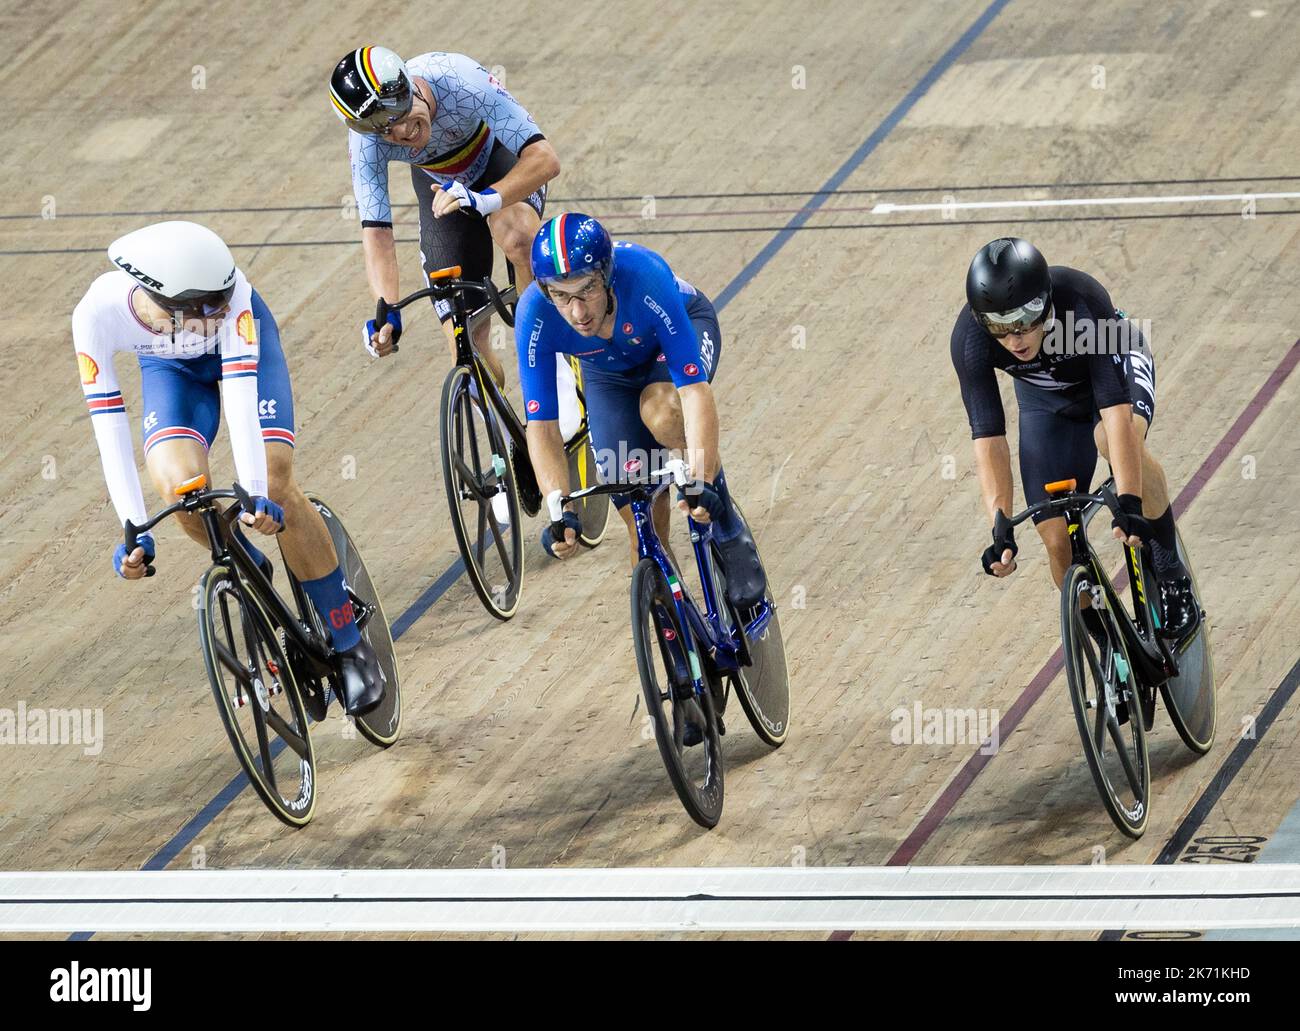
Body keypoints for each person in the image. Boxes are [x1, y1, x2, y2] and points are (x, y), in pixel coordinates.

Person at [72, 220, 384, 714]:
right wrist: (132, 529)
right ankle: (245, 560)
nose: (213, 315)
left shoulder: (234, 298)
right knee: (181, 490)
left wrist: (255, 492)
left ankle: (349, 643)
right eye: (200, 310)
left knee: (277, 484)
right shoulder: (96, 313)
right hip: (172, 371)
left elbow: (241, 398)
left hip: (249, 360)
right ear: (155, 297)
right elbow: (108, 426)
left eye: (218, 304)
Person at [952, 237, 1199, 643]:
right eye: (999, 326)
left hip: (1114, 372)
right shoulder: (970, 341)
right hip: (1047, 403)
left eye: (1025, 319)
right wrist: (1000, 527)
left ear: (1046, 303)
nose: (1014, 339)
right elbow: (989, 438)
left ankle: (1171, 571)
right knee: (1054, 538)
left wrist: (1130, 502)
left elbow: (1114, 412)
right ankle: (1106, 646)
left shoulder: (1080, 301)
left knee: (1114, 442)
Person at [514, 213, 765, 612]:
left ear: (607, 274)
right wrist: (558, 507)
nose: (577, 311)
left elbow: (695, 392)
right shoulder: (534, 314)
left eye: (587, 290)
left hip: (674, 342)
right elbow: (541, 424)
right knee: (640, 520)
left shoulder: (644, 276)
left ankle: (727, 525)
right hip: (608, 372)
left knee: (662, 414)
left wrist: (701, 477)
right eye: (561, 296)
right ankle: (677, 636)